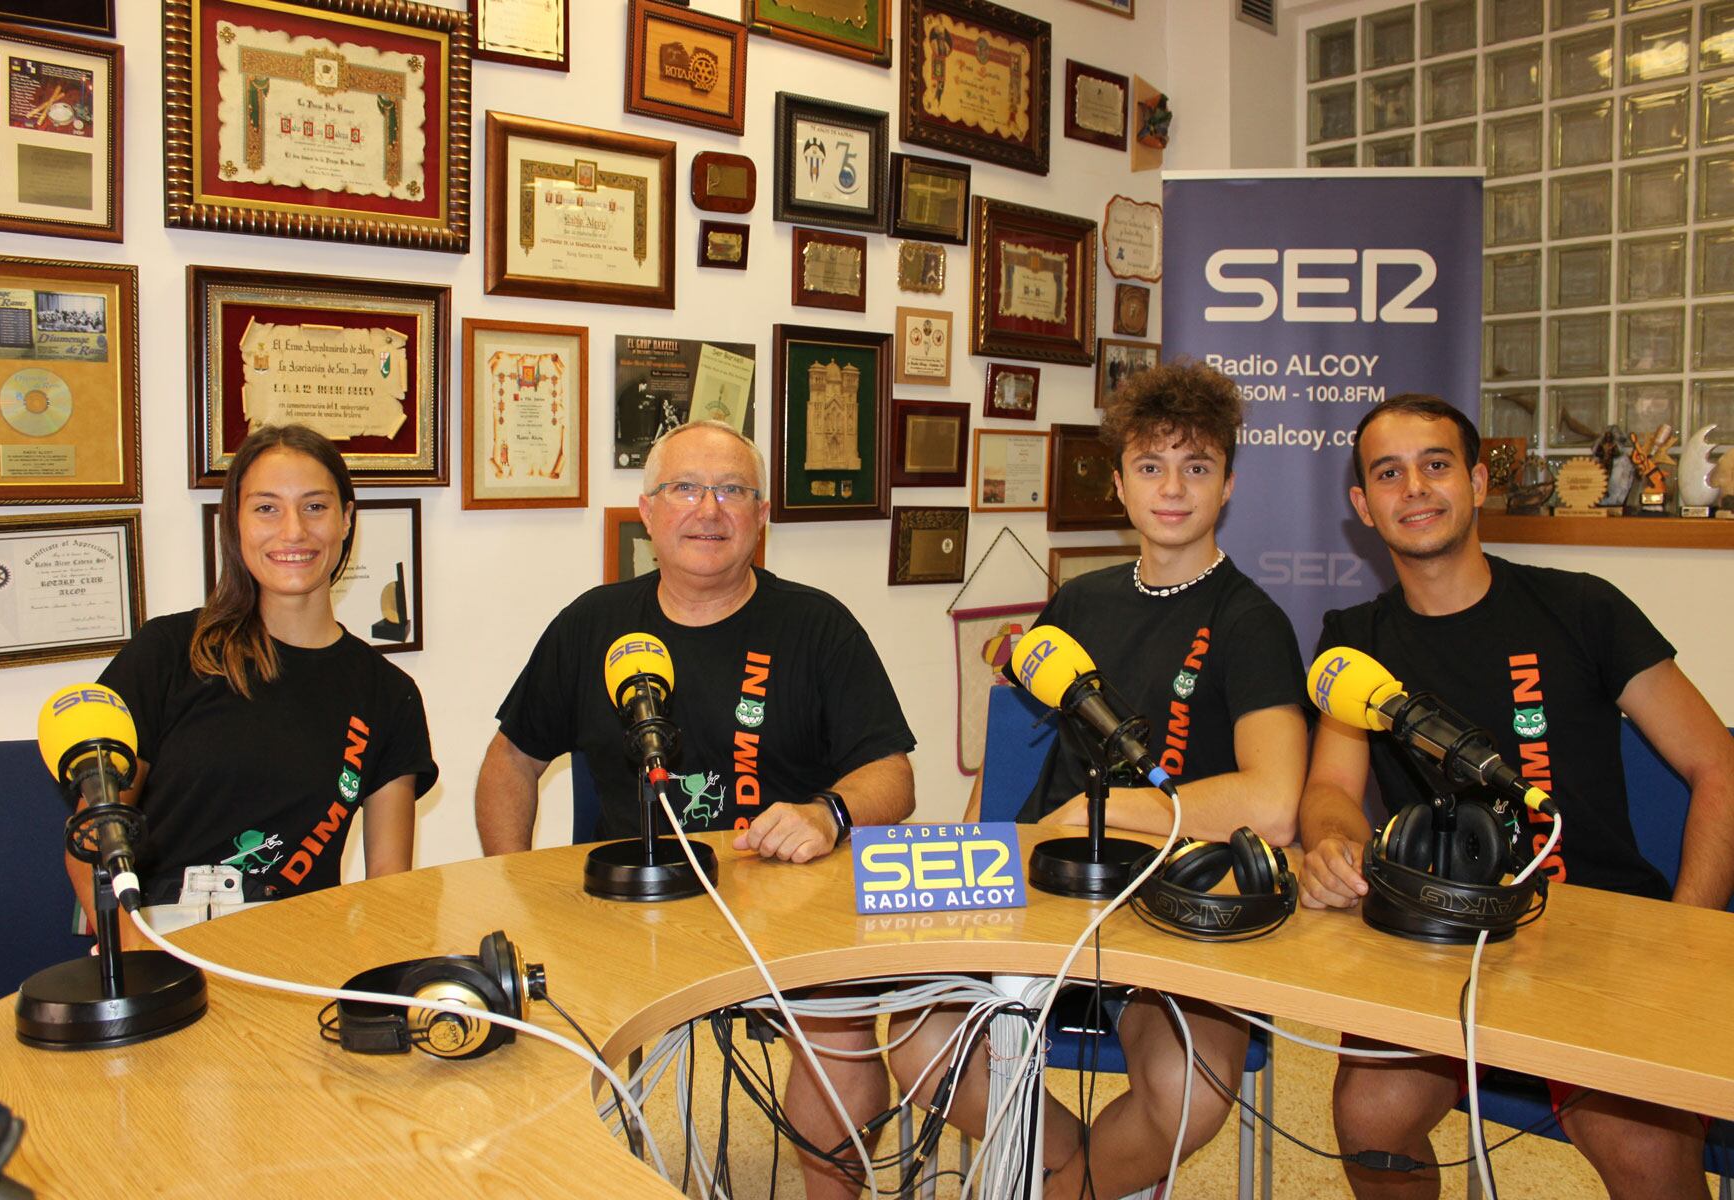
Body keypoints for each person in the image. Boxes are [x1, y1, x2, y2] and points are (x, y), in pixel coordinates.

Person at [887, 361, 1308, 1199]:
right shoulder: (1077, 604)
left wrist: (1117, 812)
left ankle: (1067, 1190)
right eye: (1151, 467)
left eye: (1197, 467)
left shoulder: (1251, 620)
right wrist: (976, 859)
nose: (1173, 489)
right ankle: (1065, 1167)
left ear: (1227, 483)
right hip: (1052, 896)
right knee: (916, 1041)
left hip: (1179, 908)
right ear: (1119, 486)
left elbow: (1272, 799)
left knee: (1185, 1094)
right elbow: (1009, 761)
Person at [1299, 393, 1734, 1200]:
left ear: (1476, 481)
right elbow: (1330, 788)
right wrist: (1331, 843)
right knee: (1370, 1118)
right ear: (1363, 506)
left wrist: (1689, 932)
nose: (1416, 489)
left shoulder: (1582, 608)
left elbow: (1721, 766)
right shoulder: (1353, 638)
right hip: (1437, 938)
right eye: (1388, 474)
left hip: (1597, 940)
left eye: (1436, 466)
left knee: (1644, 1149)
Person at [474, 419, 916, 1199]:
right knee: (518, 1037)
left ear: (760, 515)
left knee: (840, 1033)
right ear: (646, 512)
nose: (707, 510)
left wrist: (828, 814)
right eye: (684, 488)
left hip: (787, 905)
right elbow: (511, 762)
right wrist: (513, 886)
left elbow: (891, 774)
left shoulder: (817, 626)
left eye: (732, 491)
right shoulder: (592, 625)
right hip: (628, 910)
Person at [76, 424, 437, 939]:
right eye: (266, 507)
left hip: (297, 957)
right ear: (235, 522)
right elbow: (92, 839)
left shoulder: (388, 694)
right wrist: (137, 957)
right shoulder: (167, 653)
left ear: (346, 519)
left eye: (315, 507)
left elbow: (389, 885)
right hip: (157, 945)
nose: (293, 531)